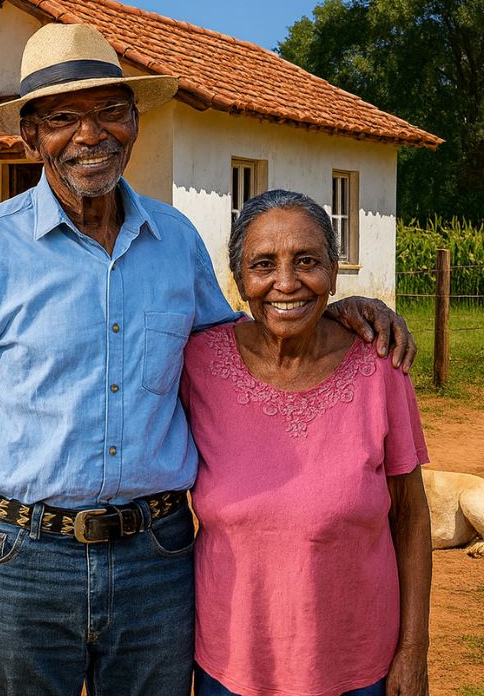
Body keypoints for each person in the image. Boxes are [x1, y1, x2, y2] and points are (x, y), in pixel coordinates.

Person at [0, 22, 417, 696]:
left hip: (157, 559)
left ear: (135, 121)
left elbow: (238, 345)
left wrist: (337, 310)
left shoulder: (174, 240)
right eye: (63, 119)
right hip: (20, 561)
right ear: (30, 137)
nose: (91, 135)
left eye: (111, 111)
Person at [180, 190, 432, 696]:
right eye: (264, 264)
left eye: (308, 261)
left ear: (335, 273)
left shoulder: (380, 365)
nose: (287, 283)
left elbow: (410, 518)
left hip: (360, 665)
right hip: (231, 667)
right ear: (240, 280)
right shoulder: (197, 364)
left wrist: (412, 652)